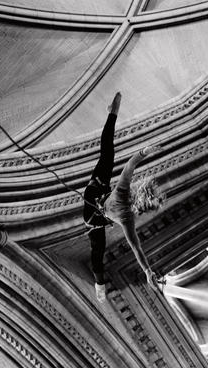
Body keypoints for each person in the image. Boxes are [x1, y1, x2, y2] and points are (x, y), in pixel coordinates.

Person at [84, 92, 163, 301]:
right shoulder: (126, 212)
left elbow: (130, 165)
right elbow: (136, 248)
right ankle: (99, 284)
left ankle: (112, 114)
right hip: (96, 198)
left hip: (94, 206)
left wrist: (145, 151)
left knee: (107, 153)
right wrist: (147, 271)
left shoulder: (124, 199)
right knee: (97, 253)